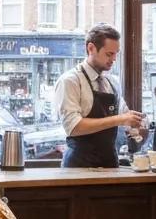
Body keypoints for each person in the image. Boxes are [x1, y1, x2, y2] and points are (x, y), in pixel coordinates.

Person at [54, 24, 146, 168]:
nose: (114, 59)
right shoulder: (70, 81)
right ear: (91, 48)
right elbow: (73, 127)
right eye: (109, 54)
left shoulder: (112, 82)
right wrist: (120, 119)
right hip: (79, 168)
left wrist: (135, 123)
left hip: (110, 165)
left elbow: (124, 116)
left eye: (116, 54)